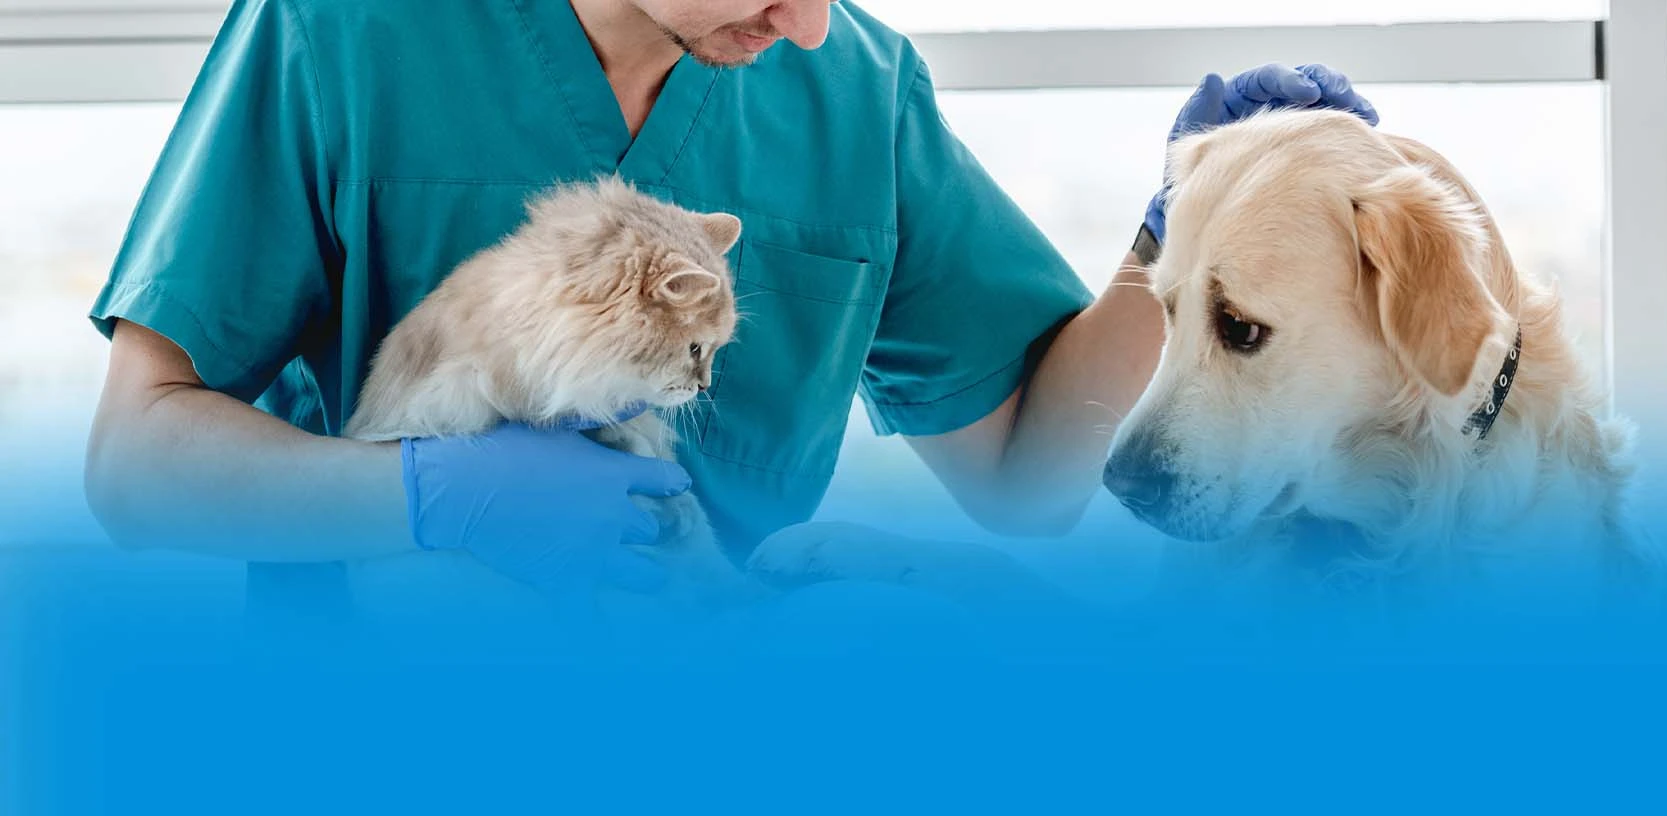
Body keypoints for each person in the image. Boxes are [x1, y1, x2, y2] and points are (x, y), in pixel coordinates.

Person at [83, 0, 1378, 600]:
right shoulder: (345, 32)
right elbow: (137, 465)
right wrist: (437, 494)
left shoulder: (856, 86)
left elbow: (1026, 483)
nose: (808, 24)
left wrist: (1176, 237)